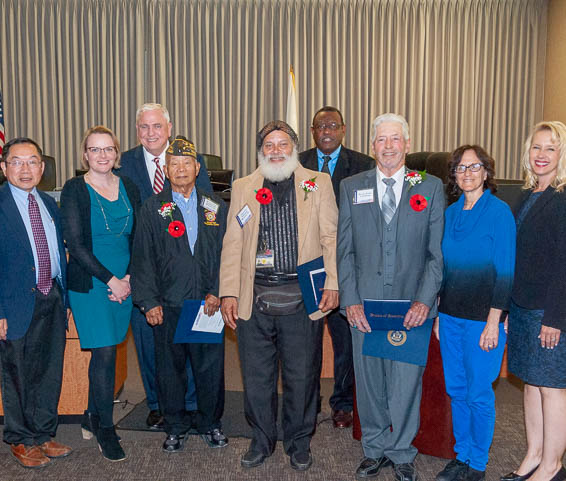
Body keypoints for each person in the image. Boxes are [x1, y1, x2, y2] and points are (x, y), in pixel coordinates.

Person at [219, 120, 339, 471]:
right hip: (254, 296)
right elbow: (232, 243)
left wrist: (332, 282)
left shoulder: (319, 183)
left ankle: (299, 441)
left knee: (302, 376)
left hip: (304, 296)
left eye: (282, 143)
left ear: (294, 147)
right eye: (268, 145)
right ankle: (261, 439)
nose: (275, 150)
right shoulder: (243, 187)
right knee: (256, 377)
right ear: (260, 151)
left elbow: (331, 237)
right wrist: (228, 291)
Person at [337, 113, 444, 481]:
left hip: (411, 306)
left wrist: (424, 302)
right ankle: (375, 448)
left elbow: (435, 255)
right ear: (372, 146)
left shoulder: (429, 187)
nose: (388, 146)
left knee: (404, 383)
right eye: (381, 140)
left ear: (407, 145)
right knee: (368, 382)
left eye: (395, 139)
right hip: (364, 305)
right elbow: (344, 250)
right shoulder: (352, 186)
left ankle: (401, 452)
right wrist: (349, 300)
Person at [131, 136, 228, 454]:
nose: (182, 168)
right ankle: (174, 426)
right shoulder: (153, 208)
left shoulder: (215, 206)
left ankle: (211, 424)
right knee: (169, 371)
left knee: (209, 369)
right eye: (175, 163)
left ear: (198, 168)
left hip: (207, 305)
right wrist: (148, 301)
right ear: (167, 169)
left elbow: (226, 253)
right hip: (168, 304)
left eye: (188, 163)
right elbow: (142, 257)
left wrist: (219, 290)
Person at [118, 103, 212, 429]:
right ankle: (158, 403)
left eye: (157, 126)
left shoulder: (190, 160)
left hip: (186, 275)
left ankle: (188, 403)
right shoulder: (123, 164)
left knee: (190, 339)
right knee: (148, 343)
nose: (150, 133)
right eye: (144, 127)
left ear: (169, 128)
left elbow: (208, 217)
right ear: (137, 131)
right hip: (143, 271)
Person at [434, 145, 515, 481]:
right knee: (456, 389)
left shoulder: (499, 213)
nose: (467, 173)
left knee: (479, 392)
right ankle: (462, 455)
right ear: (454, 175)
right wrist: (439, 313)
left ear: (486, 171)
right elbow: (442, 268)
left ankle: (478, 464)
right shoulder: (451, 213)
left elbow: (506, 271)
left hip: (484, 322)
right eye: (460, 168)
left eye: (474, 166)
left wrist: (495, 321)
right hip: (450, 318)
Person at [61, 126, 141, 462]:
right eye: (95, 150)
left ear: (117, 154)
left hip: (126, 278)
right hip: (92, 282)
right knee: (106, 350)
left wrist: (131, 277)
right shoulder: (74, 189)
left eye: (108, 149)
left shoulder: (130, 187)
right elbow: (76, 245)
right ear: (85, 155)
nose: (102, 155)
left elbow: (140, 237)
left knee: (108, 351)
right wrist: (112, 281)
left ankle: (90, 415)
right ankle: (106, 428)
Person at [299, 106, 374, 429]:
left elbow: (369, 218)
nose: (326, 131)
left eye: (332, 125)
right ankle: (307, 400)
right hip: (306, 266)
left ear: (343, 129)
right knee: (305, 341)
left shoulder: (362, 166)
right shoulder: (297, 163)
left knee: (344, 341)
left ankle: (343, 403)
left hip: (347, 267)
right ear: (312, 131)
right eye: (320, 126)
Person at [0, 138, 72, 468]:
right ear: (4, 167)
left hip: (51, 296)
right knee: (17, 374)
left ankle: (44, 433)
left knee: (48, 371)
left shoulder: (48, 202)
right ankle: (19, 438)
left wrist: (64, 296)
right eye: (17, 162)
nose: (25, 169)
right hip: (14, 304)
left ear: (42, 168)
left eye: (33, 162)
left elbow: (57, 250)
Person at [502, 121, 566, 481]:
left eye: (550, 149)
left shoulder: (562, 197)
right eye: (536, 147)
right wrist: (510, 309)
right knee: (530, 383)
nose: (541, 155)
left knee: (552, 387)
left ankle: (553, 467)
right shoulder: (527, 194)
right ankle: (535, 455)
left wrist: (555, 318)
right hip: (524, 308)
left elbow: (564, 263)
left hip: (550, 310)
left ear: (562, 155)